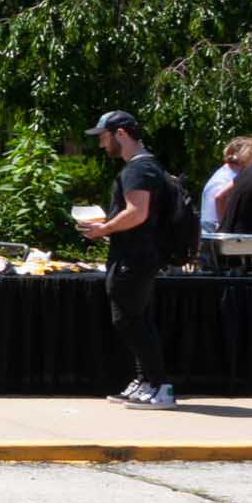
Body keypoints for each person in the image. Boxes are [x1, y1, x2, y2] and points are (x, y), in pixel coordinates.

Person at [76, 112, 180, 408]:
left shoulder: (139, 168)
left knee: (129, 321)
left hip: (134, 258)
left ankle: (160, 386)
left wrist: (103, 229)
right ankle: (146, 381)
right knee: (137, 320)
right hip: (139, 256)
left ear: (120, 133)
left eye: (103, 137)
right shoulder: (146, 165)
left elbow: (137, 212)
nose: (101, 144)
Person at [200, 136, 252, 233]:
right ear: (246, 155)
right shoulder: (228, 178)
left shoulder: (227, 172)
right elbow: (219, 198)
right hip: (214, 233)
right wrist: (225, 228)